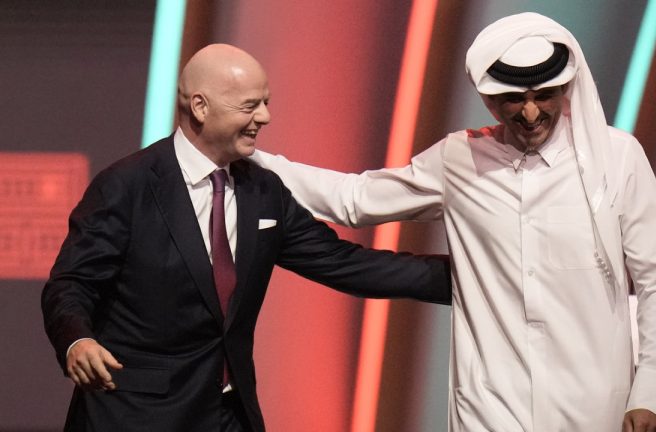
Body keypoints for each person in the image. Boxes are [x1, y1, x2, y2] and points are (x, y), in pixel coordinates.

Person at [251, 12, 656, 432]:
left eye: (543, 95)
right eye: (515, 98)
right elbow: (354, 200)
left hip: (594, 404)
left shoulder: (617, 158)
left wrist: (649, 391)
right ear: (489, 98)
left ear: (566, 88)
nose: (531, 113)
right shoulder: (459, 159)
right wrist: (247, 157)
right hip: (490, 404)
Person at [41, 44, 452, 432]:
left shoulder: (263, 191)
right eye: (250, 105)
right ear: (200, 106)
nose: (266, 117)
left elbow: (348, 264)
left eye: (266, 102)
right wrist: (77, 339)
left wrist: (477, 276)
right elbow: (71, 283)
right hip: (135, 413)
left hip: (228, 415)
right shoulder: (127, 186)